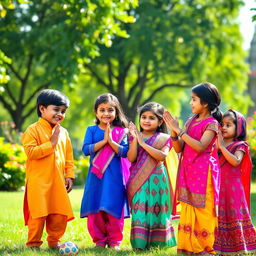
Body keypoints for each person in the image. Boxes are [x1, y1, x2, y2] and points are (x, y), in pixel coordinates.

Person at [164, 82, 222, 255]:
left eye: (194, 99)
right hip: (188, 170)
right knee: (189, 206)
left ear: (205, 103)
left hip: (204, 173)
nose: (191, 103)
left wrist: (179, 130)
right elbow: (179, 148)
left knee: (203, 210)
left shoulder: (212, 124)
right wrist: (173, 132)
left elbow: (200, 146)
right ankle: (189, 246)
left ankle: (205, 247)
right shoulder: (190, 121)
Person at [21, 89, 74, 249]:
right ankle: (33, 243)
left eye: (63, 111)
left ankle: (54, 241)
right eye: (56, 109)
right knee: (38, 214)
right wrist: (51, 144)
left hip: (57, 182)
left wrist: (69, 176)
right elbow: (31, 153)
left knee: (59, 214)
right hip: (39, 182)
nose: (60, 114)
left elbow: (68, 157)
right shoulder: (32, 130)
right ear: (42, 108)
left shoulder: (63, 132)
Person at [80, 93, 129, 250]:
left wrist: (112, 142)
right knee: (95, 206)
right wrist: (103, 141)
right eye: (102, 110)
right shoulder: (92, 130)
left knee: (113, 205)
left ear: (116, 112)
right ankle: (99, 241)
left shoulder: (121, 131)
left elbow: (124, 152)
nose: (106, 113)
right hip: (96, 177)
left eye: (110, 110)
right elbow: (86, 149)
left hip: (114, 177)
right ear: (96, 112)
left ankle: (114, 241)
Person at [127, 102, 177, 250]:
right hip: (138, 181)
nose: (146, 121)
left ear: (160, 121)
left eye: (151, 118)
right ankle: (139, 244)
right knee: (140, 210)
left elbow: (162, 156)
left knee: (157, 208)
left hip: (158, 180)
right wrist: (136, 139)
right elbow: (131, 158)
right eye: (143, 117)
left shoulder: (164, 138)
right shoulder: (134, 137)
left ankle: (158, 243)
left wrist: (143, 143)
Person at [214, 109, 256, 255]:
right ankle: (218, 246)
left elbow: (236, 161)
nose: (223, 127)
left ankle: (239, 246)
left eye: (228, 125)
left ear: (239, 127)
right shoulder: (217, 144)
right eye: (222, 124)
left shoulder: (240, 145)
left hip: (233, 188)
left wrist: (221, 147)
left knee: (234, 214)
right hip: (218, 186)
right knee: (219, 214)